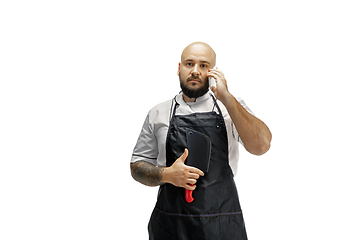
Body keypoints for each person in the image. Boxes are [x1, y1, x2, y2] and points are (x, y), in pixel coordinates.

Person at [130, 42, 272, 240]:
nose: (195, 71)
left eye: (204, 65)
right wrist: (167, 174)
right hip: (170, 226)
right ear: (179, 68)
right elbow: (137, 166)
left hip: (222, 225)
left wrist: (226, 97)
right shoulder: (158, 113)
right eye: (189, 64)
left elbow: (261, 146)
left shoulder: (230, 109)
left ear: (213, 72)